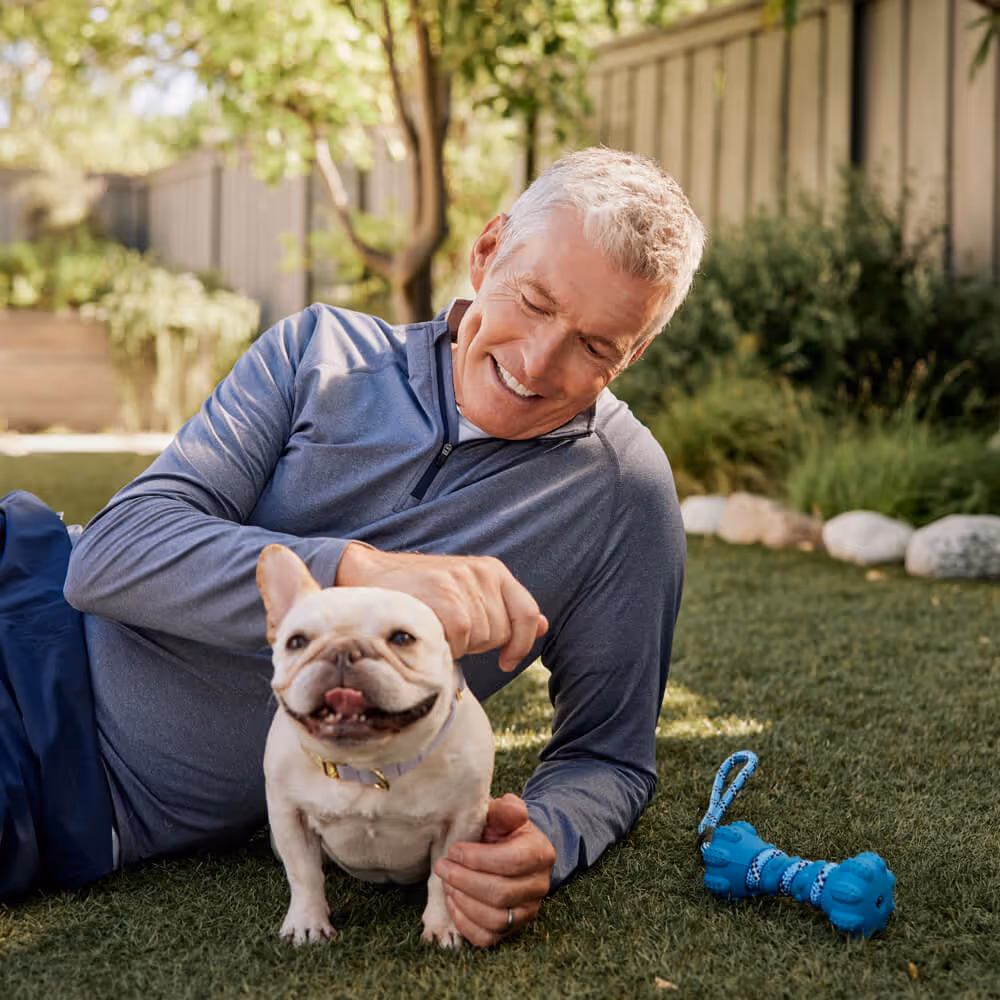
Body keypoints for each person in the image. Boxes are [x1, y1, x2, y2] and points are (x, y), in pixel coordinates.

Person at [0, 146, 705, 946]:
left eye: (596, 347)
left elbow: (610, 759)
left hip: (75, 782)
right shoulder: (319, 351)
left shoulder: (623, 498)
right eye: (534, 301)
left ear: (633, 353)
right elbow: (111, 555)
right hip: (28, 580)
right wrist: (364, 576)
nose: (538, 363)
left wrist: (550, 832)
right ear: (486, 252)